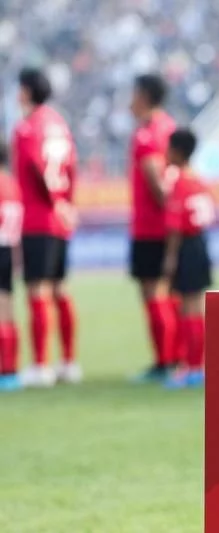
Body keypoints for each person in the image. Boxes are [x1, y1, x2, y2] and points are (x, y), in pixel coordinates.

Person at [13, 68, 80, 388]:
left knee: (37, 289)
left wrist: (53, 203)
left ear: (26, 91)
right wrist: (67, 204)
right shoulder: (60, 123)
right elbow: (72, 167)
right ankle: (68, 361)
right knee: (59, 288)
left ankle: (41, 365)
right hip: (60, 218)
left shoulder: (27, 127)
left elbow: (36, 167)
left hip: (38, 218)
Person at [128, 74, 178, 383]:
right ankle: (177, 357)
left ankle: (164, 361)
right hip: (171, 227)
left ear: (144, 96)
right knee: (171, 293)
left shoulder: (146, 135)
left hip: (150, 227)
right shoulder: (170, 127)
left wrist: (167, 204)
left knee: (152, 292)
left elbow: (158, 184)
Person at [161, 129, 214, 389]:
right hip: (201, 243)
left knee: (188, 307)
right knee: (196, 307)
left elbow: (174, 226)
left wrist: (170, 258)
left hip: (186, 246)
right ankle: (197, 365)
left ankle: (191, 367)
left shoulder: (179, 182)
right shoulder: (199, 180)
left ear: (177, 152)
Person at [0, 141, 22, 391]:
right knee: (7, 310)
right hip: (9, 247)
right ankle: (10, 370)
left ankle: (6, 371)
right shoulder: (12, 184)